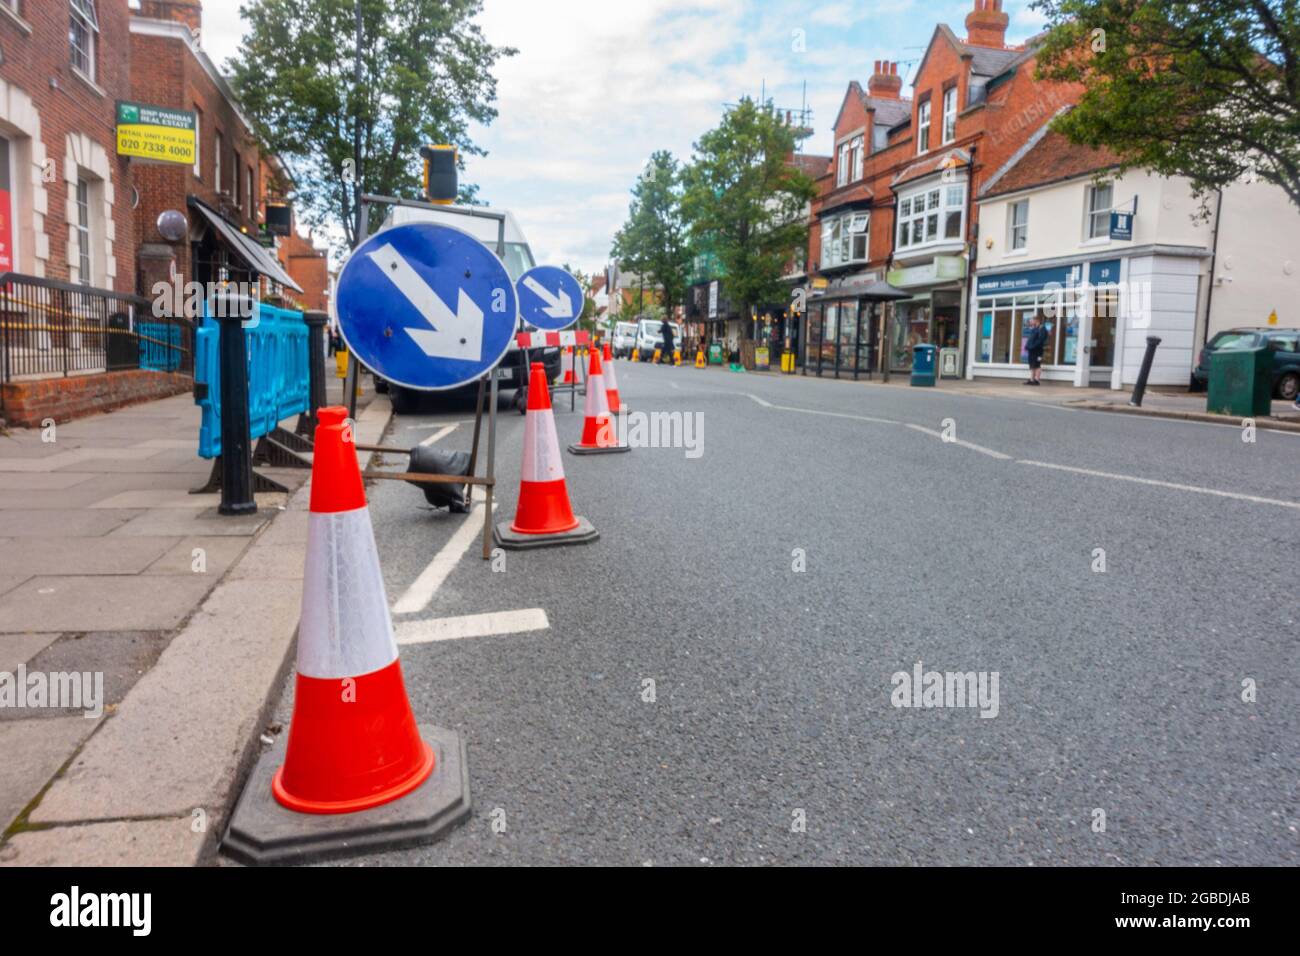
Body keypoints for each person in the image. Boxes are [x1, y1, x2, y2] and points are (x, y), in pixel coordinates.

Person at [1024, 315, 1048, 385]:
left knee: (1037, 365)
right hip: (1031, 350)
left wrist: (1033, 346)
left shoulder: (1042, 328)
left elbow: (1041, 340)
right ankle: (1032, 380)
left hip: (1038, 350)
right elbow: (1030, 339)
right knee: (1032, 365)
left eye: (1032, 320)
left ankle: (1036, 380)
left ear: (1037, 320)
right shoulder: (1034, 328)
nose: (1031, 321)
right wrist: (1027, 346)